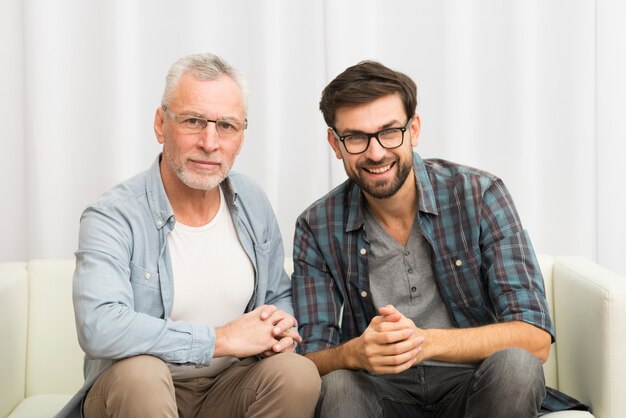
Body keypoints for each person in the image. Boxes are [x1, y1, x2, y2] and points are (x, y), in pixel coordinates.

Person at [291, 60, 589, 417]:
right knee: (337, 385)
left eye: (389, 132)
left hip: (472, 384)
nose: (375, 152)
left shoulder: (479, 194)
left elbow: (535, 337)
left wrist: (424, 342)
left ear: (414, 129)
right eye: (355, 137)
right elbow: (309, 360)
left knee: (516, 366)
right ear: (335, 144)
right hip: (381, 392)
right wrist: (352, 353)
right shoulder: (316, 225)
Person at [56, 52, 320, 418]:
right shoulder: (113, 214)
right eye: (194, 121)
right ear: (161, 124)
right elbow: (99, 327)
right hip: (137, 394)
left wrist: (280, 328)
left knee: (298, 374)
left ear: (242, 135)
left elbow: (277, 293)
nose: (210, 143)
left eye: (226, 126)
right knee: (142, 374)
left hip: (229, 388)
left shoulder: (252, 200)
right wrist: (221, 339)